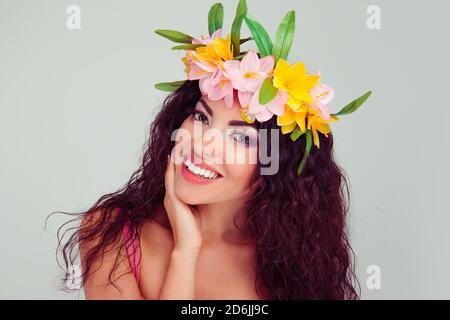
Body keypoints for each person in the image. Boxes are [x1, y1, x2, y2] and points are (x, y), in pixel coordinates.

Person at [53, 0, 371, 300]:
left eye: (242, 138)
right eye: (202, 117)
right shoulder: (110, 233)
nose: (203, 144)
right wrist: (185, 251)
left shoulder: (295, 266)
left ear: (277, 168)